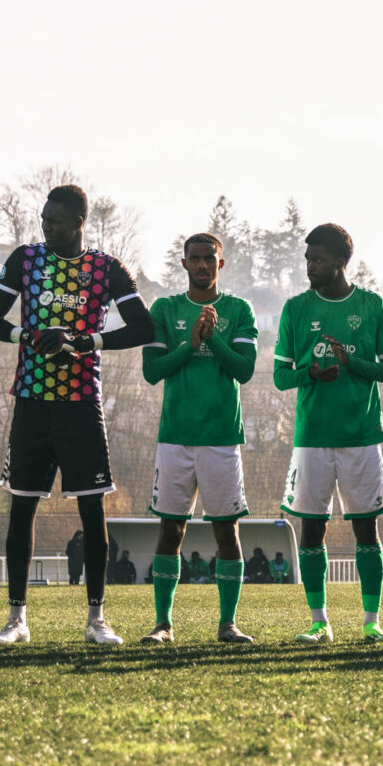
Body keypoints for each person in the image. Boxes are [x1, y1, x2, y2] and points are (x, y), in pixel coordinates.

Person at [0, 184, 152, 645]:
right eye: (42, 219)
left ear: (79, 221)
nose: (45, 226)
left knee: (92, 511)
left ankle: (97, 618)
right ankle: (17, 618)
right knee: (21, 508)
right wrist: (29, 335)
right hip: (32, 401)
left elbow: (143, 327)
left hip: (81, 404)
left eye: (54, 220)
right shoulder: (25, 260)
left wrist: (85, 341)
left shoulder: (107, 268)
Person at [274, 223, 383, 644]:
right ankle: (319, 621)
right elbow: (279, 376)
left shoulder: (371, 305)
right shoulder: (295, 309)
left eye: (319, 259)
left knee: (367, 529)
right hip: (311, 437)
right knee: (312, 529)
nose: (311, 266)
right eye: (308, 259)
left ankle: (371, 621)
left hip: (362, 435)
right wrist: (309, 372)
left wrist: (353, 363)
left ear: (342, 262)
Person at [139, 232, 258, 644]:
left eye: (211, 258)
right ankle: (163, 624)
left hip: (222, 437)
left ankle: (228, 624)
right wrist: (190, 344)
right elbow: (152, 372)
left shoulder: (239, 309)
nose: (204, 264)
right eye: (196, 258)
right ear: (185, 263)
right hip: (175, 437)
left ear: (221, 264)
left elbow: (243, 370)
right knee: (171, 530)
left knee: (227, 532)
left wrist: (214, 338)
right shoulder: (165, 308)